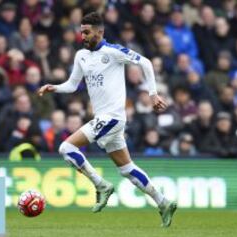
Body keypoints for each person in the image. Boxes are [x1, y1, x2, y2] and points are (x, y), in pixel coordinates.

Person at [38, 12, 176, 227]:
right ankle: (163, 202)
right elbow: (73, 85)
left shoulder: (113, 52)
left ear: (100, 32)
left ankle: (101, 185)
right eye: (81, 31)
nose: (82, 36)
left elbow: (146, 63)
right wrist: (54, 87)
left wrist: (152, 94)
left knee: (66, 148)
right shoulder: (81, 56)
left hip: (112, 117)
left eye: (87, 32)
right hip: (104, 119)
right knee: (126, 168)